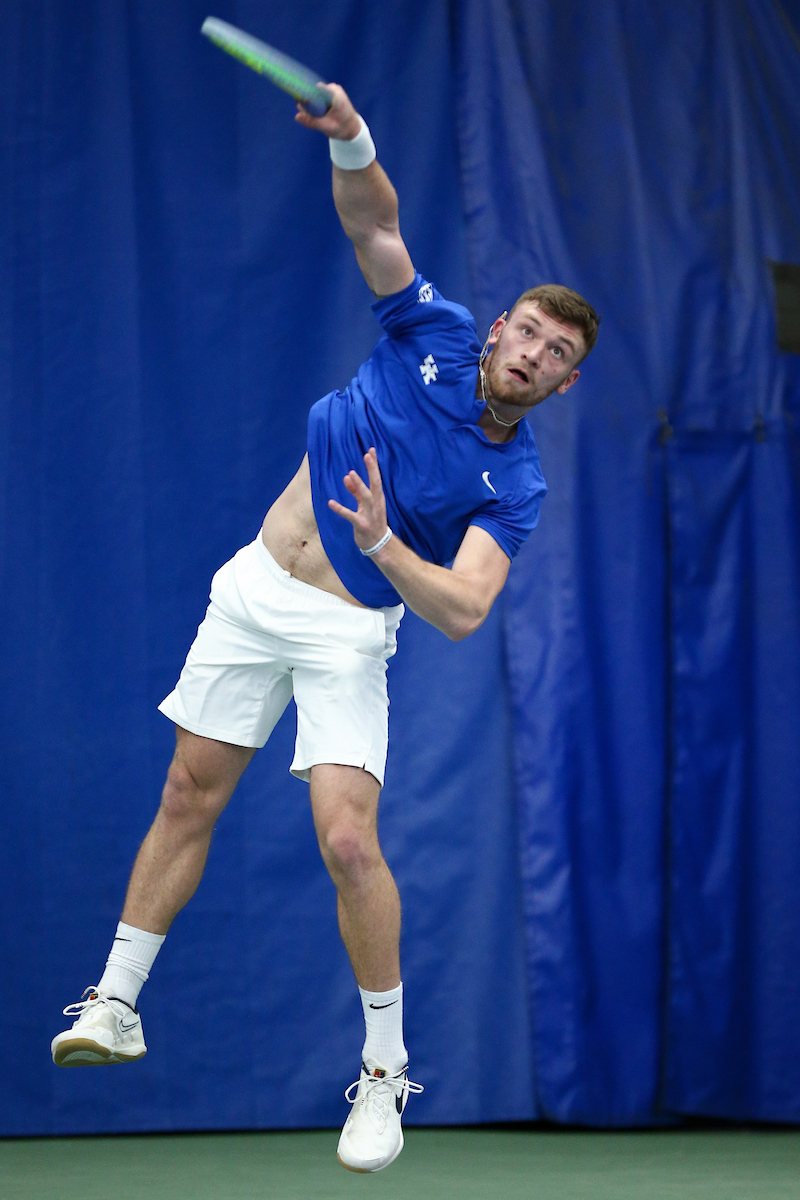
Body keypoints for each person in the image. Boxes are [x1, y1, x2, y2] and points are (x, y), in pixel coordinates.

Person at [51, 83, 599, 1171]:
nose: (532, 354)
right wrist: (353, 139)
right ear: (496, 330)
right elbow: (377, 224)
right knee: (185, 792)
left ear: (563, 383)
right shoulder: (431, 332)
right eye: (527, 332)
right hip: (254, 589)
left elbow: (465, 608)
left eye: (554, 356)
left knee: (348, 841)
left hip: (350, 630)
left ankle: (385, 1074)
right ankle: (115, 1000)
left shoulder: (514, 482)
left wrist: (389, 545)